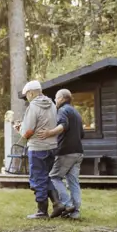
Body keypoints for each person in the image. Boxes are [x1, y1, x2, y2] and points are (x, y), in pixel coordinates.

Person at [15, 80, 66, 219]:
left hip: (37, 147)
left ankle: (42, 211)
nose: (27, 98)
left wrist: (20, 129)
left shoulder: (33, 106)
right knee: (46, 176)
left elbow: (29, 131)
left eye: (27, 95)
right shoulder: (52, 105)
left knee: (38, 178)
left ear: (31, 93)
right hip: (52, 147)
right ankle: (57, 204)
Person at [36, 88, 84, 219]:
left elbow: (63, 125)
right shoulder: (76, 113)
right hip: (78, 152)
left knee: (54, 177)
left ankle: (68, 204)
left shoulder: (63, 110)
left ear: (62, 99)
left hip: (65, 152)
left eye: (56, 98)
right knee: (73, 181)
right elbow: (82, 134)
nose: (55, 100)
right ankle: (75, 212)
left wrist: (48, 133)